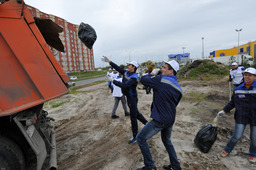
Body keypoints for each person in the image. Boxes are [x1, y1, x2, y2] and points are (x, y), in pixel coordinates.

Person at [136, 60, 182, 170]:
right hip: (170, 120)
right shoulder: (178, 88)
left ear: (171, 71)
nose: (162, 69)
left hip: (160, 119)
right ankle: (176, 166)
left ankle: (150, 166)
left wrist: (152, 73)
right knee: (167, 141)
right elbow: (174, 104)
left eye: (164, 68)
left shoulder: (161, 79)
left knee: (140, 138)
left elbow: (143, 80)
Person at [102, 56, 148, 144]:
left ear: (133, 67)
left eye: (129, 65)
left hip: (132, 99)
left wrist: (113, 81)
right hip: (129, 98)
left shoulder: (134, 78)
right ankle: (147, 124)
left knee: (133, 117)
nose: (128, 66)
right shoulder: (126, 72)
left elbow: (124, 85)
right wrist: (109, 61)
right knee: (136, 114)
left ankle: (135, 136)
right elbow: (118, 68)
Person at [218, 67, 256, 163]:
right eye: (245, 74)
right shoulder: (238, 89)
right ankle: (227, 149)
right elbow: (232, 102)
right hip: (241, 116)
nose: (247, 77)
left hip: (255, 117)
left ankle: (252, 154)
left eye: (250, 75)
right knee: (236, 136)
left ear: (255, 77)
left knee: (254, 138)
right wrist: (224, 110)